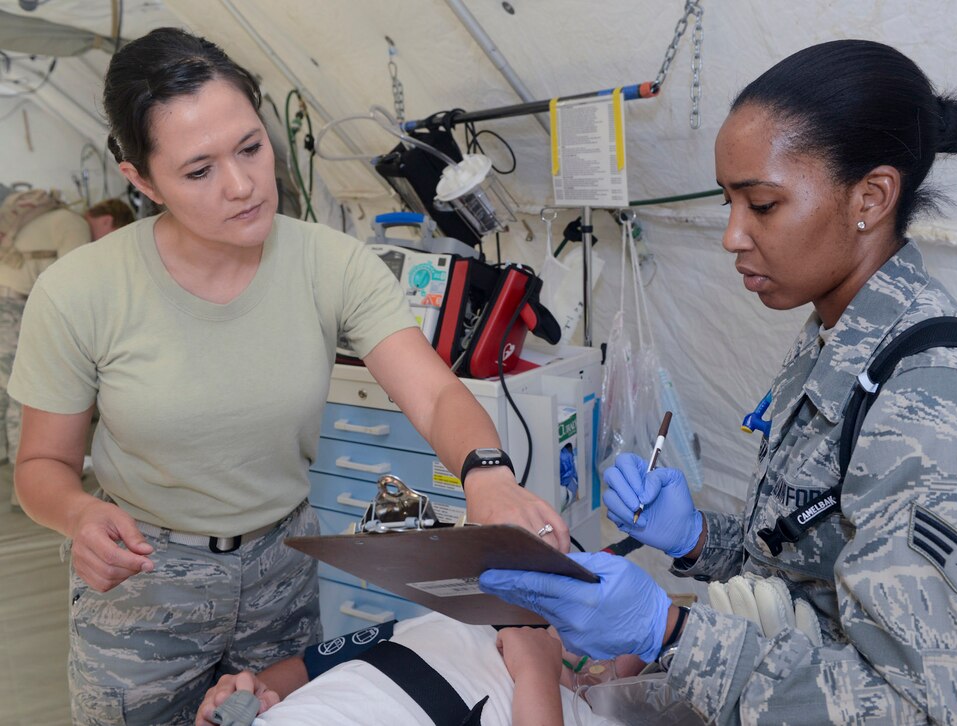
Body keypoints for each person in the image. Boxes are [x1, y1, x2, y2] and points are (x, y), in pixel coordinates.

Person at [479, 39, 957, 724]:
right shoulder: (840, 341)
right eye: (729, 201)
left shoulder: (939, 410)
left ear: (871, 198)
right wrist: (700, 540)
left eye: (760, 205)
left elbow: (921, 713)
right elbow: (810, 572)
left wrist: (670, 634)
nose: (732, 235)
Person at [8, 27, 568, 725]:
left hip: (280, 573)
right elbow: (40, 464)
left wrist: (488, 475)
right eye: (199, 170)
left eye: (250, 147)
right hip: (145, 584)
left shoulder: (331, 264)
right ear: (142, 181)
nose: (242, 185)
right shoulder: (80, 291)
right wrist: (80, 515)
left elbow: (433, 391)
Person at [193, 614, 638, 726]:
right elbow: (305, 667)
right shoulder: (444, 620)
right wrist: (260, 688)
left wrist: (537, 673)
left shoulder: (584, 713)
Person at [1, 192, 133, 508]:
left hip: (6, 300)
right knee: (30, 396)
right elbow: (74, 286)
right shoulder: (73, 225)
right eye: (111, 236)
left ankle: (10, 464)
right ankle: (30, 488)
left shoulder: (52, 219)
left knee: (7, 388)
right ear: (107, 221)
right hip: (16, 307)